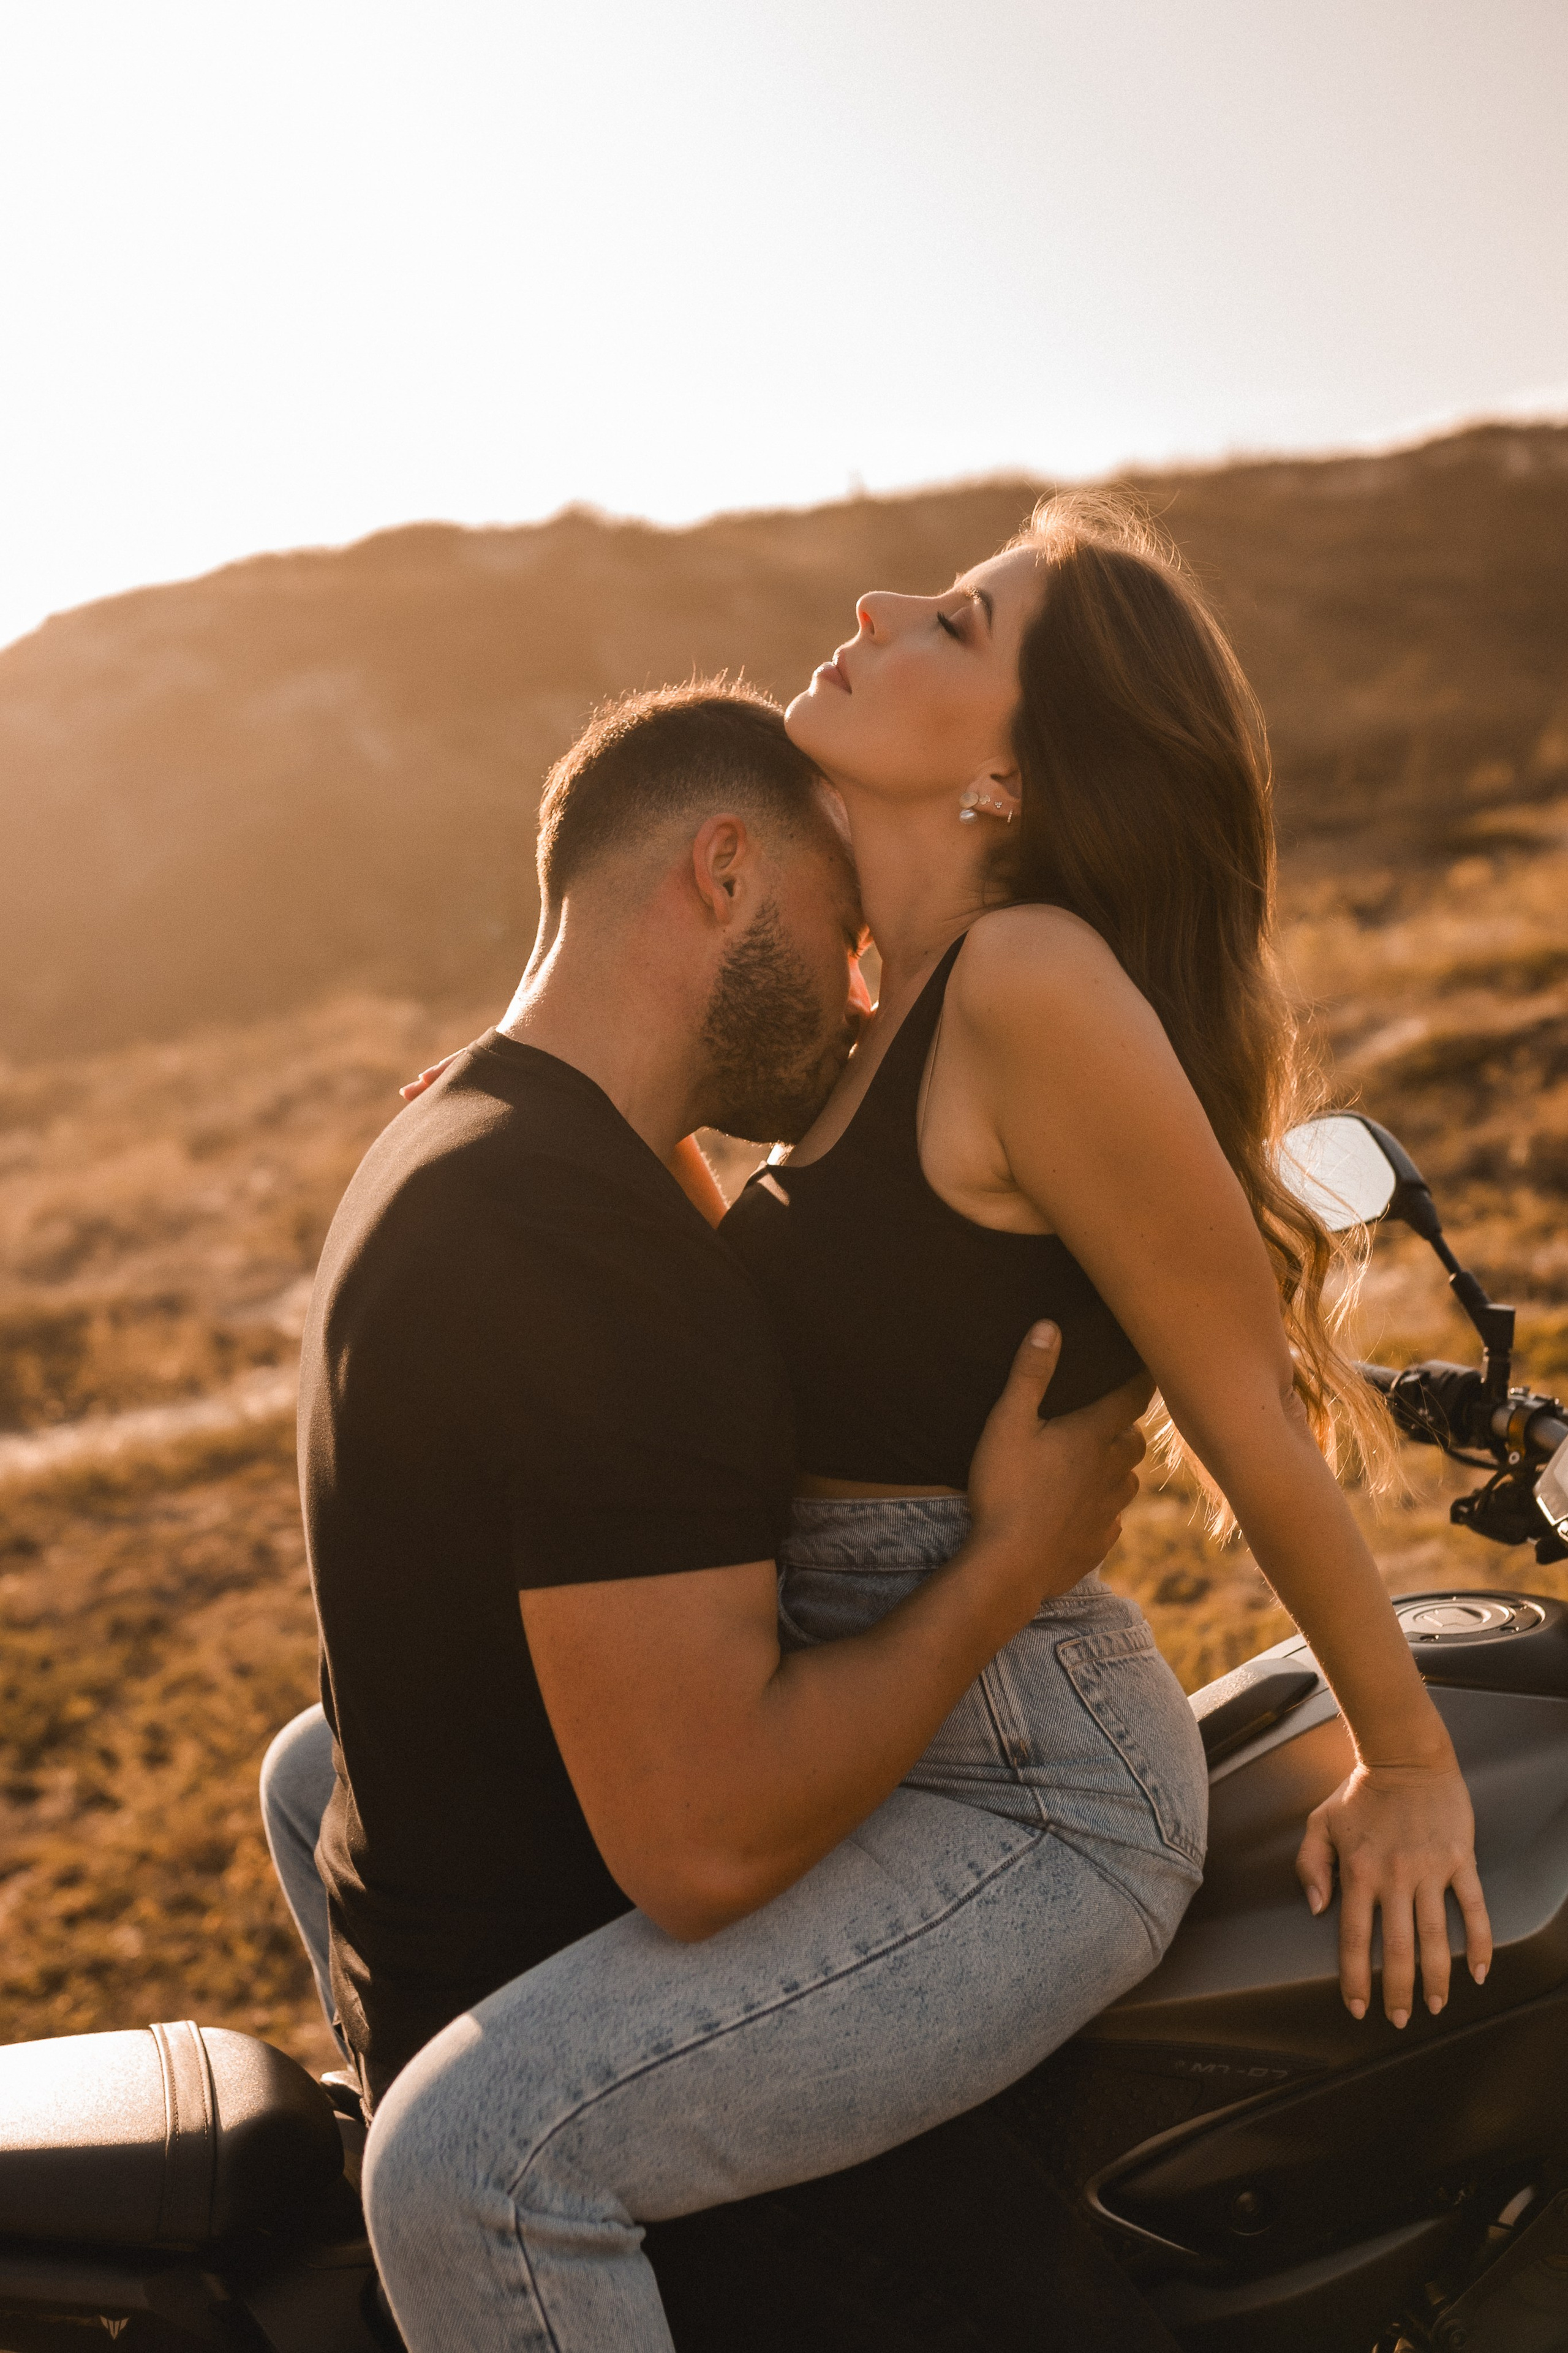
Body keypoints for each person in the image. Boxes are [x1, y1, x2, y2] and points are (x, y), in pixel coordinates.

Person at [274, 680, 1161, 2350]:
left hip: (447, 1958)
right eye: (845, 929)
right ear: (727, 872)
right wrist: (1009, 1563)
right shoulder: (581, 1267)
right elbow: (707, 1845)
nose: (858, 993)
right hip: (569, 2120)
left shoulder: (459, 1141)